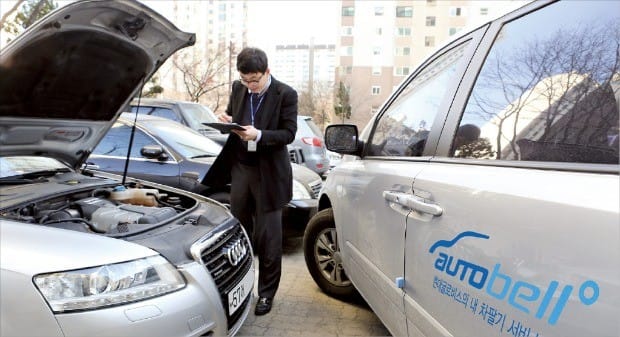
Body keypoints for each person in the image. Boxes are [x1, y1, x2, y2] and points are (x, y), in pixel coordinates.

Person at [202, 47, 298, 316]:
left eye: (254, 80)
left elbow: (288, 133)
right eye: (245, 80)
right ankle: (238, 288)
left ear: (267, 71)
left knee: (269, 239)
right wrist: (229, 121)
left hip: (269, 174)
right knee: (239, 235)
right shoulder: (238, 88)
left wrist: (258, 135)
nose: (250, 86)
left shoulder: (285, 94)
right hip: (241, 170)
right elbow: (235, 115)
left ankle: (266, 294)